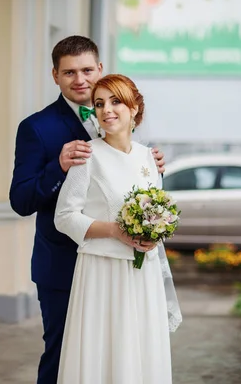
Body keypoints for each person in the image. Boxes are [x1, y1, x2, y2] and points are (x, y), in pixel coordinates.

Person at [9, 36, 166, 384]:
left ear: (100, 69)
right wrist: (58, 166)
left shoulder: (119, 112)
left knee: (121, 356)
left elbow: (129, 173)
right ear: (55, 76)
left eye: (86, 70)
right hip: (63, 265)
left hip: (124, 268)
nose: (79, 79)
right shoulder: (36, 128)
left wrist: (151, 168)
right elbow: (20, 201)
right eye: (69, 72)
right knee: (66, 358)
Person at [54, 74, 180, 384]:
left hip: (144, 275)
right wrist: (115, 231)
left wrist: (154, 234)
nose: (106, 110)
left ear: (135, 109)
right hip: (103, 273)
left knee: (142, 353)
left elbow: (155, 210)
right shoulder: (88, 155)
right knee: (105, 355)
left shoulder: (149, 159)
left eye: (116, 101)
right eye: (99, 104)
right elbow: (65, 216)